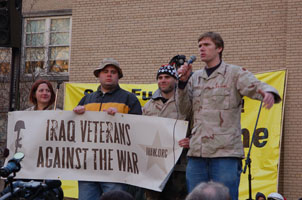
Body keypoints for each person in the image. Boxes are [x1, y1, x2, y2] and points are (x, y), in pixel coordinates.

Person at [177, 31, 281, 200]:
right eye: (199, 46)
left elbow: (255, 86)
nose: (201, 49)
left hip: (224, 153)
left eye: (206, 45)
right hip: (197, 153)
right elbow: (183, 110)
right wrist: (182, 83)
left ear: (219, 48)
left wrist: (268, 92)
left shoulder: (234, 73)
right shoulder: (194, 77)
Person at [73, 58, 142, 200]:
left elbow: (138, 130)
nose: (109, 74)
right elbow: (74, 132)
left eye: (113, 72)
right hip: (88, 166)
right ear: (98, 75)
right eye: (105, 72)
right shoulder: (86, 99)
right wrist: (74, 115)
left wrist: (120, 119)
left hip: (115, 168)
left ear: (119, 76)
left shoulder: (129, 99)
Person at [142, 64, 190, 200]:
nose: (163, 80)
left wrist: (191, 139)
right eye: (160, 77)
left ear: (176, 79)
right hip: (153, 166)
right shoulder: (148, 105)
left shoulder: (185, 102)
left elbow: (195, 126)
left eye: (167, 77)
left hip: (179, 166)